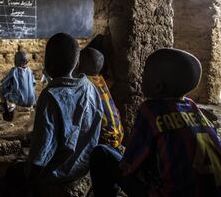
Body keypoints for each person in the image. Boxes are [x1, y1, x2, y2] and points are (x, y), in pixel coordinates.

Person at [89, 48, 221, 197]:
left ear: (158, 86)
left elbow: (129, 164)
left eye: (145, 72)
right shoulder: (194, 109)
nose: (141, 75)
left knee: (101, 154)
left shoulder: (151, 110)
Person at [0, 33, 103, 196]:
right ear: (77, 64)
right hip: (83, 165)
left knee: (12, 172)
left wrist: (30, 179)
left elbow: (42, 149)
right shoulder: (90, 88)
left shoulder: (50, 96)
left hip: (58, 173)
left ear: (47, 65)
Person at [75, 47, 124, 148]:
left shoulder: (85, 84)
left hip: (103, 140)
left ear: (79, 65)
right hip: (118, 136)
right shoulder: (101, 82)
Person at [0, 51, 36, 121]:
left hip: (19, 100)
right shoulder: (30, 71)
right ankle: (32, 106)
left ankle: (7, 112)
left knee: (0, 89)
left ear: (16, 61)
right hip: (31, 101)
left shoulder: (14, 71)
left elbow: (3, 83)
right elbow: (33, 84)